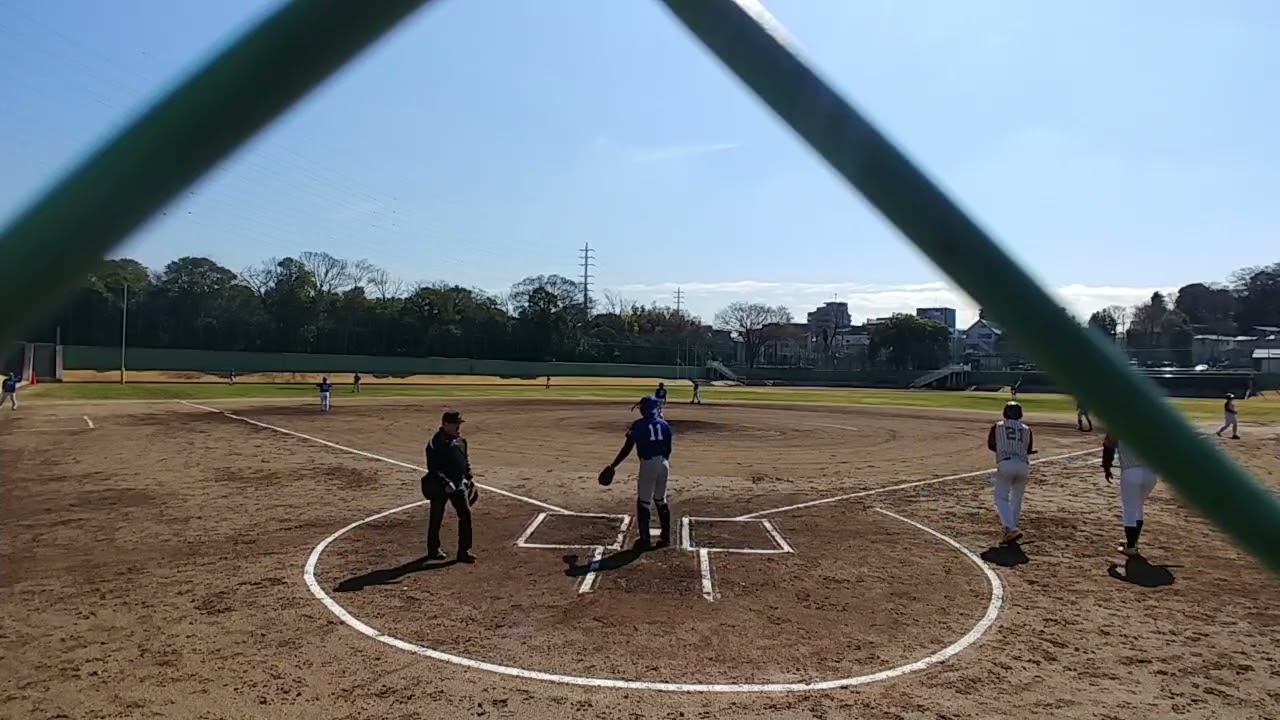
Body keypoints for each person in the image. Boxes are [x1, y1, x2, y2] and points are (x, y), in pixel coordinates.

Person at [604, 396, 673, 549]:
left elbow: (627, 447)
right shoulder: (664, 424)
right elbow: (669, 447)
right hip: (664, 463)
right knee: (661, 499)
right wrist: (662, 461)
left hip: (648, 464)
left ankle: (645, 540)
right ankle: (666, 537)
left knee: (643, 501)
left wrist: (614, 465)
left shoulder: (639, 425)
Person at [423, 410, 476, 563]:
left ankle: (464, 551)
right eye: (455, 424)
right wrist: (445, 482)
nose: (458, 427)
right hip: (440, 486)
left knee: (465, 514)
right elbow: (433, 468)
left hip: (458, 484)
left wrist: (469, 479)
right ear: (445, 424)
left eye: (459, 424)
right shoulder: (435, 443)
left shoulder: (461, 441)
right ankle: (433, 549)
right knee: (436, 517)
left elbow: (464, 462)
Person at [987, 401, 1035, 546]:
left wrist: (1003, 449)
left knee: (1001, 496)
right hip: (1023, 465)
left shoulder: (998, 426)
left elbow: (991, 445)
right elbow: (1028, 449)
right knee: (1016, 499)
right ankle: (1011, 529)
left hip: (1006, 463)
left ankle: (1011, 528)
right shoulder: (1027, 429)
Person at [1102, 432, 1158, 556]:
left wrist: (1107, 467)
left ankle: (1131, 546)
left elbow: (1108, 447)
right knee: (1138, 507)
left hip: (1130, 472)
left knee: (1130, 510)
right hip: (1151, 474)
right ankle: (1133, 542)